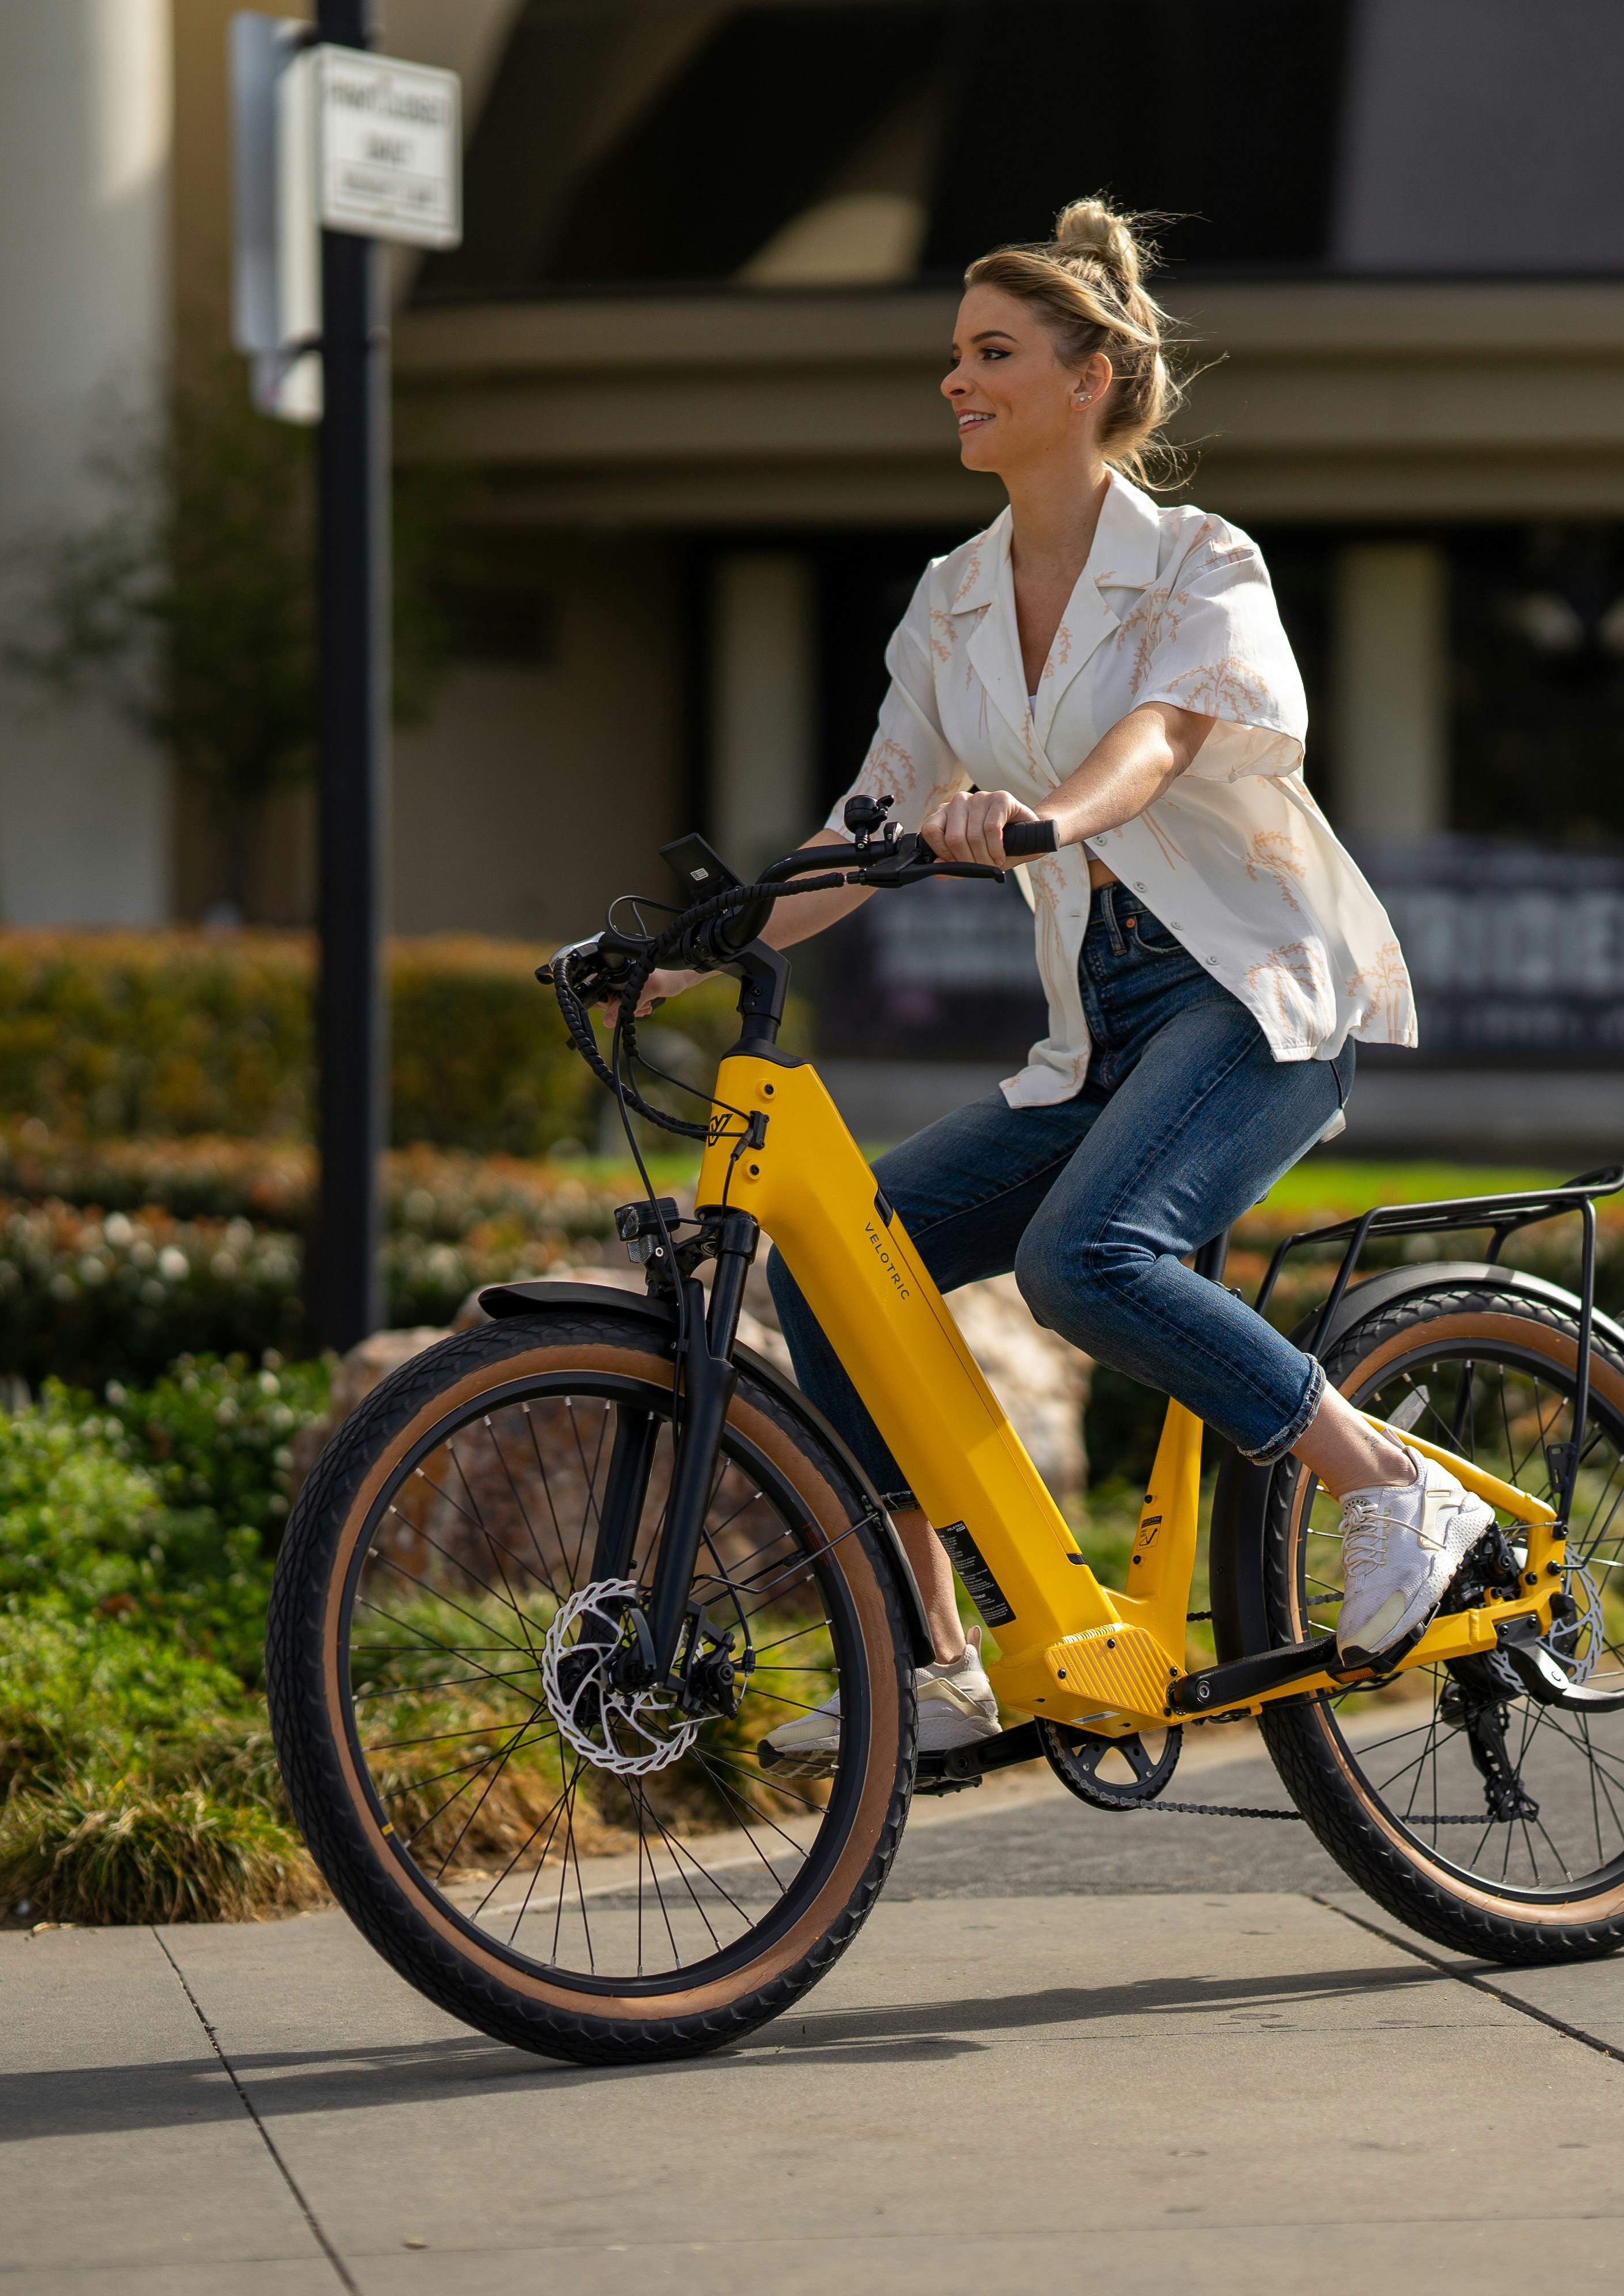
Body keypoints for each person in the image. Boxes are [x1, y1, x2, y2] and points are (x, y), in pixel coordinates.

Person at [623, 199, 1483, 1764]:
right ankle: (943, 1654)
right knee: (841, 1262)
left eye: (992, 351)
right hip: (1100, 1034)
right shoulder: (951, 600)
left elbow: (1157, 746)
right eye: (954, 354)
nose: (956, 379)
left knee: (1089, 1261)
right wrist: (696, 953)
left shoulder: (1200, 566)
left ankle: (1387, 1484)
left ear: (1092, 376)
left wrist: (1044, 818)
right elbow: (863, 819)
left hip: (1248, 994)